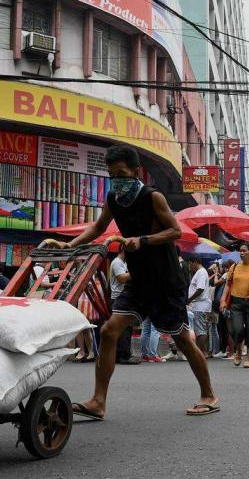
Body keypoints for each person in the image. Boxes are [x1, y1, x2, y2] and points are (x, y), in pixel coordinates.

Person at [57, 146, 218, 418]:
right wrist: (68, 246)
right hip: (139, 279)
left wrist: (141, 240)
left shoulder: (152, 197)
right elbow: (97, 228)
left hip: (166, 280)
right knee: (109, 331)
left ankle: (209, 394)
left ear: (135, 171)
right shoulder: (113, 198)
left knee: (181, 339)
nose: (116, 179)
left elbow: (174, 231)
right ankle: (98, 401)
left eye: (120, 173)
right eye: (111, 174)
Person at [220, 243, 249, 368]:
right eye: (240, 251)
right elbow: (227, 285)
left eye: (244, 251)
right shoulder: (234, 267)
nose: (241, 253)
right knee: (236, 329)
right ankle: (239, 351)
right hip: (237, 302)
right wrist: (223, 300)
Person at [109, 249, 141, 365]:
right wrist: (137, 272)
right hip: (119, 297)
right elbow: (121, 278)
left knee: (124, 327)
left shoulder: (124, 263)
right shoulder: (117, 262)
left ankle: (120, 354)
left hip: (123, 297)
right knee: (124, 328)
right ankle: (123, 355)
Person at [187, 256, 213, 357]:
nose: (190, 266)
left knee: (200, 330)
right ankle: (203, 351)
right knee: (201, 329)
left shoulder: (201, 272)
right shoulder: (200, 272)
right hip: (199, 305)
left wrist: (190, 299)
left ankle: (201, 352)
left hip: (199, 305)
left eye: (190, 263)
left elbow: (200, 288)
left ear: (195, 262)